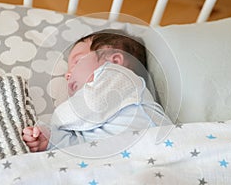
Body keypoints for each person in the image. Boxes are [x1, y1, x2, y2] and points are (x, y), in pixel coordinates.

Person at [22, 29, 171, 152]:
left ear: (114, 60)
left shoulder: (122, 78)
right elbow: (80, 147)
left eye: (77, 62)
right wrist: (49, 139)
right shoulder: (90, 123)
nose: (67, 75)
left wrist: (54, 123)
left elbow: (88, 105)